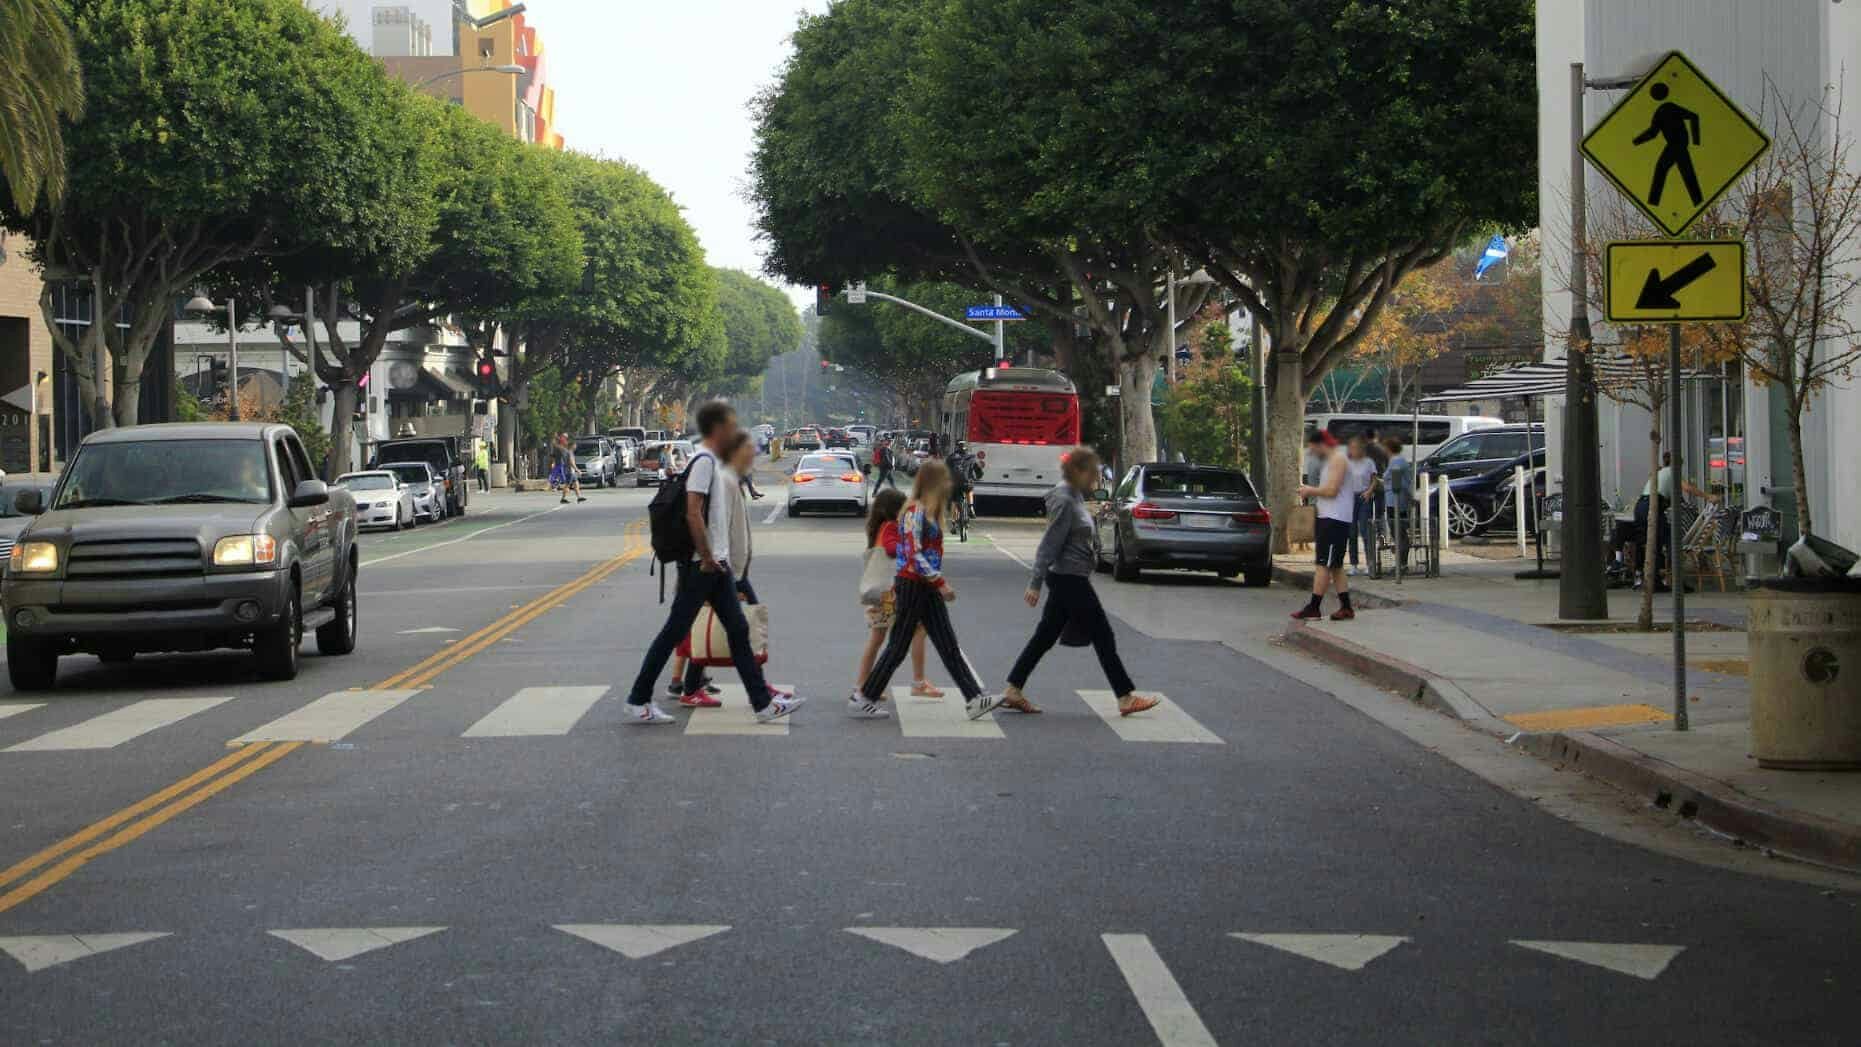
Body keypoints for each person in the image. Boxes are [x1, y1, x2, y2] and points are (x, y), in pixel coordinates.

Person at [624, 403, 805, 725]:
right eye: (731, 426)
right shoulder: (705, 461)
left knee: (737, 630)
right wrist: (706, 556)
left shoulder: (711, 462)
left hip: (715, 565)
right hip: (702, 565)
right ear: (718, 429)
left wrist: (717, 559)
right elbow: (693, 511)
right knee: (673, 632)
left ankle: (762, 704)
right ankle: (638, 699)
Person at [1002, 446, 1160, 717]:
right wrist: (1035, 582)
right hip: (1069, 578)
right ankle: (1125, 696)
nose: (1095, 480)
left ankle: (1013, 688)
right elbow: (1049, 544)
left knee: (1045, 635)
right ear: (1077, 472)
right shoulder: (1064, 499)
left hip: (1070, 576)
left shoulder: (1074, 496)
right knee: (1102, 634)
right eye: (1092, 474)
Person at [854, 460, 1000, 720]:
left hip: (924, 585)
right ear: (934, 483)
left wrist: (935, 580)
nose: (949, 484)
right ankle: (864, 696)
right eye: (944, 480)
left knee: (947, 643)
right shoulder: (914, 512)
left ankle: (974, 698)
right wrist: (939, 581)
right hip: (912, 584)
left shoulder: (929, 512)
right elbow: (911, 553)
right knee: (898, 646)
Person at [675, 431, 764, 705]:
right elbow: (720, 528)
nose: (753, 459)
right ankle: (762, 693)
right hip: (726, 568)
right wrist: (721, 565)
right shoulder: (723, 479)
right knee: (745, 629)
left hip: (729, 567)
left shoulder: (730, 478)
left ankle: (689, 687)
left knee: (727, 627)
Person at [852, 488, 941, 709]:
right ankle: (918, 682)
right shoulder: (891, 526)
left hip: (880, 593)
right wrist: (909, 544)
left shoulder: (878, 527)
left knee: (877, 637)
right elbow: (892, 549)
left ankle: (862, 684)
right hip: (889, 593)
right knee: (918, 629)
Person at [1292, 429, 1358, 621]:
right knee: (1335, 566)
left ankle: (1314, 607)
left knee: (1324, 564)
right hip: (1329, 517)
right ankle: (1346, 607)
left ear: (1321, 445)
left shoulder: (1338, 460)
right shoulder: (1330, 462)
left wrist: (1309, 490)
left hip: (1335, 519)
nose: (1313, 453)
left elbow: (1331, 490)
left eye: (1313, 449)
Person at [1633, 451, 1710, 591]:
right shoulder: (1672, 472)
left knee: (1652, 544)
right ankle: (1676, 582)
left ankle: (1654, 582)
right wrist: (1708, 497)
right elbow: (1687, 488)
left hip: (1641, 506)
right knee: (1672, 542)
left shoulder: (1661, 472)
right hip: (1653, 506)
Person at [1344, 434, 1379, 576]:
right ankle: (1353, 564)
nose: (1353, 450)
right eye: (1351, 448)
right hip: (1350, 498)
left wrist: (1369, 491)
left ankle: (1370, 563)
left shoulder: (1369, 462)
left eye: (1355, 447)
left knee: (1365, 531)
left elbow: (1375, 480)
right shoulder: (1346, 462)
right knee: (1351, 532)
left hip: (1364, 497)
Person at [1382, 436, 1414, 571]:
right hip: (1394, 499)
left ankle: (1402, 564)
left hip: (1396, 501)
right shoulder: (1397, 460)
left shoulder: (1396, 461)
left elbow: (1396, 480)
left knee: (1399, 533)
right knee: (1398, 533)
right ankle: (1401, 563)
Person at [945, 441, 981, 538]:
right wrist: (978, 476)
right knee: (969, 489)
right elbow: (978, 470)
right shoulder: (972, 457)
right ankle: (971, 508)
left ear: (956, 447)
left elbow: (945, 469)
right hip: (966, 483)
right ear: (966, 448)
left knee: (954, 502)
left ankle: (953, 523)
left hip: (954, 484)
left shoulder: (951, 457)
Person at [554, 433, 584, 505]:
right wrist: (577, 470)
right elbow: (571, 463)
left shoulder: (570, 452)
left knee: (576, 483)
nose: (576, 446)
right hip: (569, 471)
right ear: (572, 446)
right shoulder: (569, 452)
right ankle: (563, 498)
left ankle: (579, 497)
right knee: (567, 485)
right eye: (575, 445)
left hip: (571, 471)